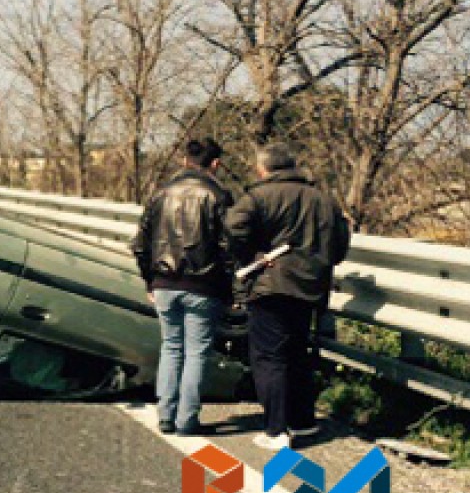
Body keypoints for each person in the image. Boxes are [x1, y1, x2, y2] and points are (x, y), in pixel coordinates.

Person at [227, 143, 351, 450]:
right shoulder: (324, 200)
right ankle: (303, 422)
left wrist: (254, 256)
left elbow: (231, 229)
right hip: (310, 287)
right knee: (298, 353)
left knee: (269, 357)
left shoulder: (258, 196)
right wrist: (320, 263)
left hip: (271, 286)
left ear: (263, 168)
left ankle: (276, 429)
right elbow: (340, 243)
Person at [131, 138, 235, 436]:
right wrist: (230, 291)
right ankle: (187, 420)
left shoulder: (160, 193)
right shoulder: (218, 195)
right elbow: (228, 248)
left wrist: (150, 281)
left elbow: (140, 244)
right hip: (203, 285)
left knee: (171, 347)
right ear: (214, 164)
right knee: (197, 352)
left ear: (183, 160)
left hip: (164, 282)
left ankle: (165, 413)